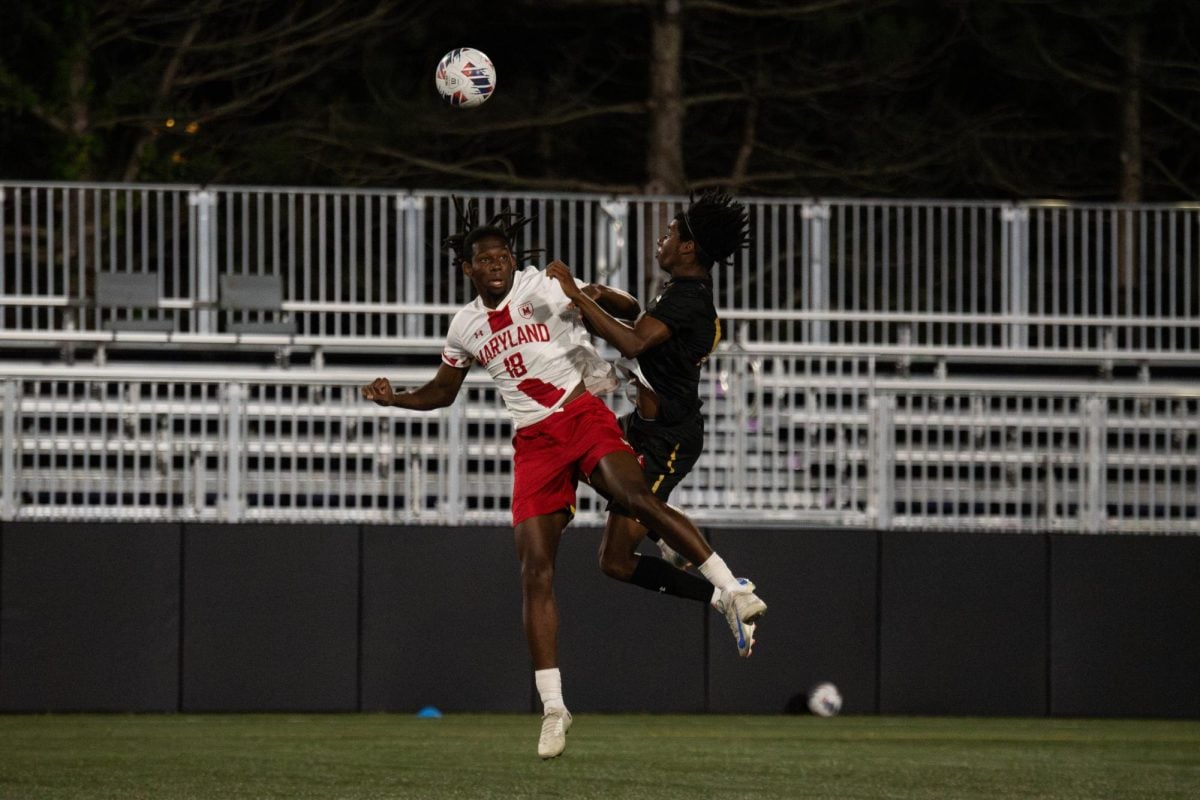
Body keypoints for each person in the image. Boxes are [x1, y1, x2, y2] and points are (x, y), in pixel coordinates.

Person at [361, 208, 765, 761]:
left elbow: (617, 311)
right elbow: (443, 391)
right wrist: (396, 399)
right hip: (534, 441)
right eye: (485, 259)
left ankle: (731, 589)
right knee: (538, 570)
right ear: (467, 269)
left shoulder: (541, 285)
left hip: (584, 414)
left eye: (504, 255)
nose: (497, 264)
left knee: (635, 496)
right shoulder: (464, 326)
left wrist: (586, 291)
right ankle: (554, 708)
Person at [546, 190, 758, 655]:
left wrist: (578, 295)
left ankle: (724, 588)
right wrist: (604, 296)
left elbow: (633, 343)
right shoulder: (680, 292)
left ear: (687, 248)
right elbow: (639, 316)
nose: (660, 240)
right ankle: (685, 553)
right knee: (574, 452)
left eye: (668, 234)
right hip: (642, 428)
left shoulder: (689, 299)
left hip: (669, 438)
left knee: (618, 560)